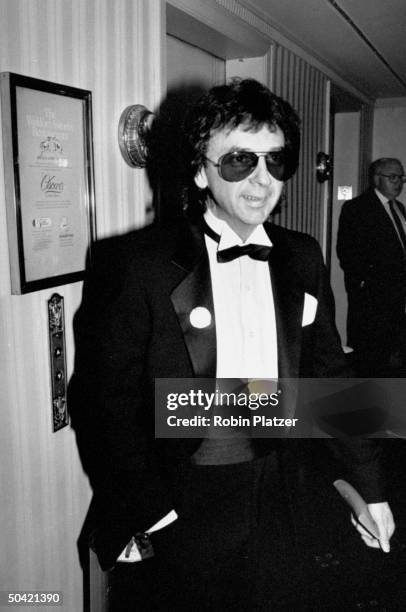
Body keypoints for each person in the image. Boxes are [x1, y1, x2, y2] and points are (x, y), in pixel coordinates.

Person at [69, 79, 394, 611]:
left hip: (285, 486)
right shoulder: (135, 264)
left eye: (275, 161)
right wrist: (153, 512)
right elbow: (104, 403)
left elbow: (331, 379)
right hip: (182, 496)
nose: (262, 180)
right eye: (240, 160)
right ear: (200, 169)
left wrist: (371, 486)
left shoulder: (303, 256)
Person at [337, 158, 406, 376]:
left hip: (398, 299)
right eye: (393, 177)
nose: (400, 183)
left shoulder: (399, 208)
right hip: (372, 301)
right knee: (371, 359)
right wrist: (366, 286)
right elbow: (347, 253)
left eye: (402, 178)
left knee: (395, 359)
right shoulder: (356, 208)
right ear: (377, 179)